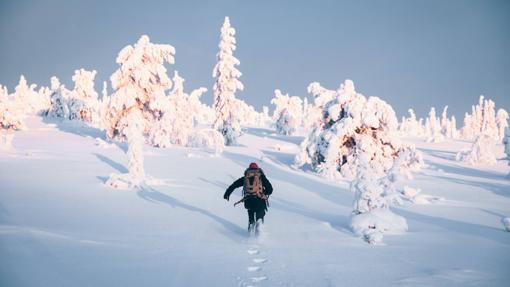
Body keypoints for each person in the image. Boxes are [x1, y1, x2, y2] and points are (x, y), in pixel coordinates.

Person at [224, 162, 273, 234]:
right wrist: (264, 193)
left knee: (251, 217)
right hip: (259, 201)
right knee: (260, 216)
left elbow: (234, 185)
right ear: (258, 169)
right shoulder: (261, 177)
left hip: (248, 202)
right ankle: (259, 230)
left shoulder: (245, 177)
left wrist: (227, 194)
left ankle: (250, 230)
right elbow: (270, 189)